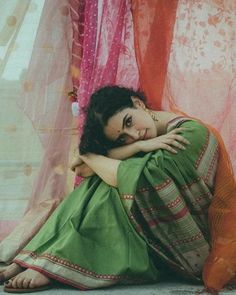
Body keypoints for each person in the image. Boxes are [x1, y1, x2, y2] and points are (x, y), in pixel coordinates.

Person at [0, 85, 220, 293]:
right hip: (153, 231)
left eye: (129, 121)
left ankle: (49, 262)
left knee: (110, 185)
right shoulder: (145, 140)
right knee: (100, 180)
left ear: (138, 103)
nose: (133, 134)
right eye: (123, 138)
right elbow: (84, 169)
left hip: (188, 244)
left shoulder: (190, 134)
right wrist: (139, 147)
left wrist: (90, 155)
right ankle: (38, 260)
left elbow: (132, 178)